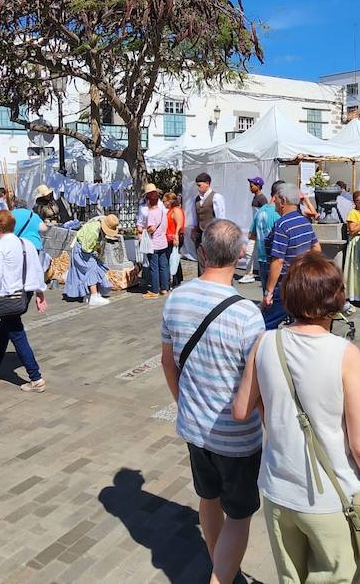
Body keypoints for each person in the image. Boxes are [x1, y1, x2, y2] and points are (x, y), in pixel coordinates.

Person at [232, 253, 360, 584]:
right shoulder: (344, 353)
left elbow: (241, 410)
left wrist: (274, 412)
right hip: (332, 499)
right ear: (335, 301)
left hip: (278, 493)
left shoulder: (266, 342)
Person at [160, 220, 266, 584]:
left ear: (202, 252)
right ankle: (222, 576)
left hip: (195, 429)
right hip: (237, 437)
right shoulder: (247, 314)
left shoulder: (176, 297)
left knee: (208, 498)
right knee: (239, 514)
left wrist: (183, 403)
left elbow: (167, 361)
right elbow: (258, 385)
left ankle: (219, 563)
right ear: (239, 256)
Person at [0, 210, 49, 392]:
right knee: (5, 330)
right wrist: (40, 292)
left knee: (16, 333)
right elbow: (36, 269)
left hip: (7, 296)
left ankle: (35, 377)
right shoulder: (26, 244)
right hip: (24, 294)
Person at [262, 183, 321, 330]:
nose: (274, 202)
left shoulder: (282, 225)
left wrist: (268, 291)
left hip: (285, 285)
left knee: (265, 324)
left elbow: (278, 260)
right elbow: (316, 249)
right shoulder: (305, 222)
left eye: (276, 199)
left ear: (282, 201)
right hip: (300, 281)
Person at [65, 214, 117, 306]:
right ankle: (93, 296)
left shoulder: (97, 225)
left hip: (83, 250)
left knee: (92, 269)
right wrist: (95, 251)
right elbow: (86, 248)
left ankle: (89, 294)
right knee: (92, 268)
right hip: (81, 250)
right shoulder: (94, 231)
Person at [188, 172, 226, 273]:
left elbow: (220, 217)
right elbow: (195, 216)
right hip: (200, 234)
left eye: (199, 185)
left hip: (211, 234)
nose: (198, 188)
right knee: (201, 260)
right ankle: (202, 282)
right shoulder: (196, 199)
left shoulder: (216, 197)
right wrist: (194, 229)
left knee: (212, 261)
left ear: (207, 183)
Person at [138, 183, 171, 299]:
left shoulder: (151, 213)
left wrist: (144, 232)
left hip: (154, 243)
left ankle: (154, 290)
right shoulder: (163, 211)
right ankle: (165, 288)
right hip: (163, 242)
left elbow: (151, 228)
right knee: (163, 265)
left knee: (154, 267)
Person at [166, 192, 187, 288]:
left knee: (174, 258)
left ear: (170, 201)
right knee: (173, 259)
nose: (164, 203)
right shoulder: (170, 210)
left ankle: (176, 280)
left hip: (175, 237)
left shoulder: (176, 210)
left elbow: (179, 224)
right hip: (170, 237)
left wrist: (176, 236)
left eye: (165, 201)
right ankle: (176, 279)